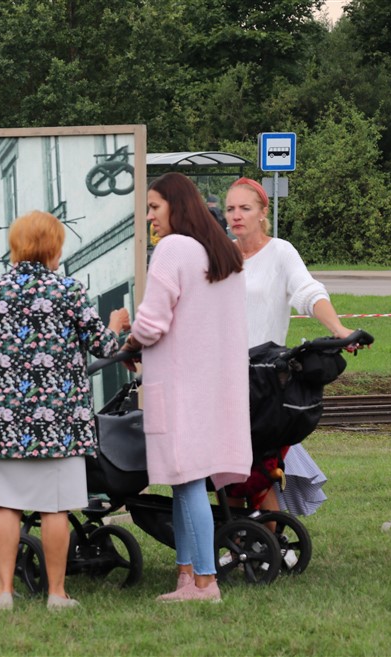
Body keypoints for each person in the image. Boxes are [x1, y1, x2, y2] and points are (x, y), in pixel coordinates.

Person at [0, 210, 130, 611]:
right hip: (59, 423)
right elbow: (105, 347)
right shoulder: (68, 290)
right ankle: (56, 594)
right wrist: (115, 323)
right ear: (52, 247)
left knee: (6, 507)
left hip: (3, 422)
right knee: (56, 509)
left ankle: (3, 593)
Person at [123, 172, 253, 602]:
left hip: (179, 387)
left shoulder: (172, 248)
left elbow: (152, 322)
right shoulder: (223, 253)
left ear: (175, 206)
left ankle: (204, 581)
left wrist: (129, 342)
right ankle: (186, 575)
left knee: (188, 481)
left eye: (154, 207)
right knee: (186, 483)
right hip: (215, 388)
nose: (149, 217)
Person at [224, 177, 356, 515]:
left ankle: (265, 539)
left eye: (245, 208)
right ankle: (239, 540)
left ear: (262, 212)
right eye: (230, 208)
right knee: (229, 477)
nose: (236, 215)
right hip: (224, 381)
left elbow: (308, 292)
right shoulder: (221, 256)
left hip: (264, 381)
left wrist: (339, 329)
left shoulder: (280, 252)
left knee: (257, 476)